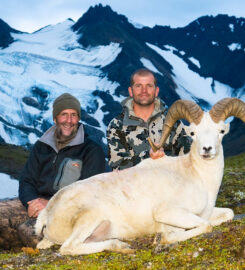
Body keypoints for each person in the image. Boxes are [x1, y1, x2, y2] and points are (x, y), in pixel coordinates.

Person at [0, 93, 106, 249]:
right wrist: (31, 201)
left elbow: (88, 193)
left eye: (73, 115)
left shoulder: (91, 151)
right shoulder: (42, 146)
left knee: (28, 232)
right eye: (64, 115)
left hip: (69, 211)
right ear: (55, 118)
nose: (69, 121)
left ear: (78, 118)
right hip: (37, 203)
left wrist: (51, 204)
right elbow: (27, 179)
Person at [107, 69, 191, 170]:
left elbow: (188, 160)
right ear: (130, 91)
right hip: (134, 185)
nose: (144, 91)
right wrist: (148, 157)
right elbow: (117, 168)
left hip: (169, 183)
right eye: (138, 86)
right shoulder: (116, 126)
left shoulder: (173, 122)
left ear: (156, 91)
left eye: (149, 86)